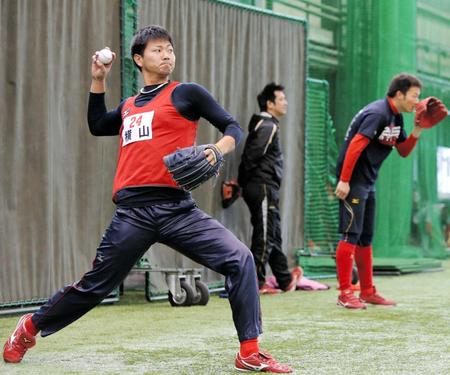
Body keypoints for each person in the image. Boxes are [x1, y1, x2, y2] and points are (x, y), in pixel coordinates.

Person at [3, 26, 293, 373]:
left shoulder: (187, 93)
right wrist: (98, 79)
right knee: (95, 287)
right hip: (133, 213)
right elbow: (97, 124)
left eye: (169, 49)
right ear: (139, 59)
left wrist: (219, 149)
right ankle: (29, 328)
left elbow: (233, 127)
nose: (166, 54)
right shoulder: (128, 106)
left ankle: (249, 350)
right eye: (157, 50)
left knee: (241, 259)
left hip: (178, 209)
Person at [334, 73, 424, 309]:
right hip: (353, 180)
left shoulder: (396, 117)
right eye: (414, 96)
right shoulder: (378, 113)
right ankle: (345, 292)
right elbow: (355, 145)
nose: (417, 101)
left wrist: (417, 129)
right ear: (399, 94)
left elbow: (403, 150)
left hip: (368, 181)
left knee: (366, 237)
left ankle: (367, 291)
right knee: (350, 234)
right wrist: (344, 180)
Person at [238, 83, 302, 295]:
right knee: (264, 236)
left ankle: (284, 280)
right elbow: (251, 157)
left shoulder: (267, 125)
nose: (286, 103)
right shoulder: (268, 127)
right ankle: (255, 283)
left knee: (272, 234)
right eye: (281, 99)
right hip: (262, 187)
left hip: (266, 188)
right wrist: (241, 184)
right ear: (270, 104)